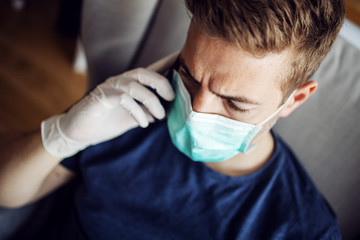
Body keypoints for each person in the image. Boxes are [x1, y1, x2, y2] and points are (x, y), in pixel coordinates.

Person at [0, 0, 345, 239]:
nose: (196, 110)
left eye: (234, 103)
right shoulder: (130, 109)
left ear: (294, 100)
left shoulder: (301, 228)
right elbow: (6, 192)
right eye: (190, 76)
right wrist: (63, 134)